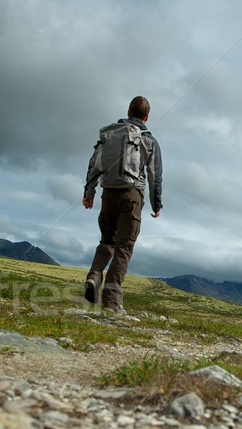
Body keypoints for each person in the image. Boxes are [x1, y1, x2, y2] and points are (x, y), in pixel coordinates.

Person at [82, 96, 163, 312]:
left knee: (107, 241)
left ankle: (93, 276)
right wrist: (157, 205)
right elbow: (155, 175)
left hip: (108, 194)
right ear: (146, 117)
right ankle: (111, 302)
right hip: (132, 195)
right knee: (124, 247)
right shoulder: (149, 140)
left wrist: (88, 193)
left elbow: (94, 165)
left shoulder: (109, 135)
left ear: (128, 112)